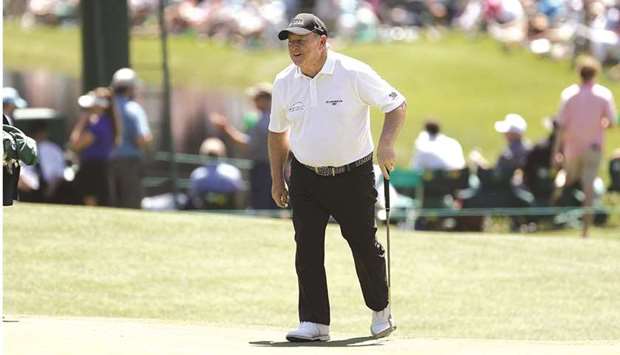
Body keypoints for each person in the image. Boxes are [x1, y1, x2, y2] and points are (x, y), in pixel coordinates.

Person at [268, 13, 407, 342]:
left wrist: (386, 145)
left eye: (301, 40)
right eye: (291, 41)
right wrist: (277, 178)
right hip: (305, 175)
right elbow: (277, 134)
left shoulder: (353, 72)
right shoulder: (284, 81)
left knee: (363, 245)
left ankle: (380, 310)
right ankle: (315, 323)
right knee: (307, 248)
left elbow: (396, 104)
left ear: (322, 41)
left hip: (353, 174)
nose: (295, 47)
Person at [552, 56, 617, 237]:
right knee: (588, 186)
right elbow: (612, 121)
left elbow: (561, 126)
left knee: (567, 177)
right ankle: (585, 229)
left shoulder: (569, 94)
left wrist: (557, 151)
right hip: (593, 146)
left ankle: (555, 206)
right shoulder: (603, 95)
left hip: (572, 147)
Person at [210, 82, 278, 210]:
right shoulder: (276, 117)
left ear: (264, 100)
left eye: (256, 99)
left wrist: (226, 129)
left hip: (264, 168)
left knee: (262, 205)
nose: (253, 103)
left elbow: (247, 145)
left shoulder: (263, 121)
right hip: (275, 167)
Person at [109, 68, 153, 209]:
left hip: (107, 161)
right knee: (131, 204)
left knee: (111, 204)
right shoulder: (134, 109)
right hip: (130, 163)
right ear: (130, 88)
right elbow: (142, 138)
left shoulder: (106, 108)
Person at [69, 87, 119, 206]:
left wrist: (82, 122)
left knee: (91, 202)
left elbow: (75, 145)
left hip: (93, 167)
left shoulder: (99, 125)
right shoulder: (106, 122)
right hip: (100, 166)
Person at [187, 137, 245, 210]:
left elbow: (192, 194)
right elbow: (239, 190)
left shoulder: (197, 174)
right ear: (223, 153)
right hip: (229, 208)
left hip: (205, 208)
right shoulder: (233, 171)